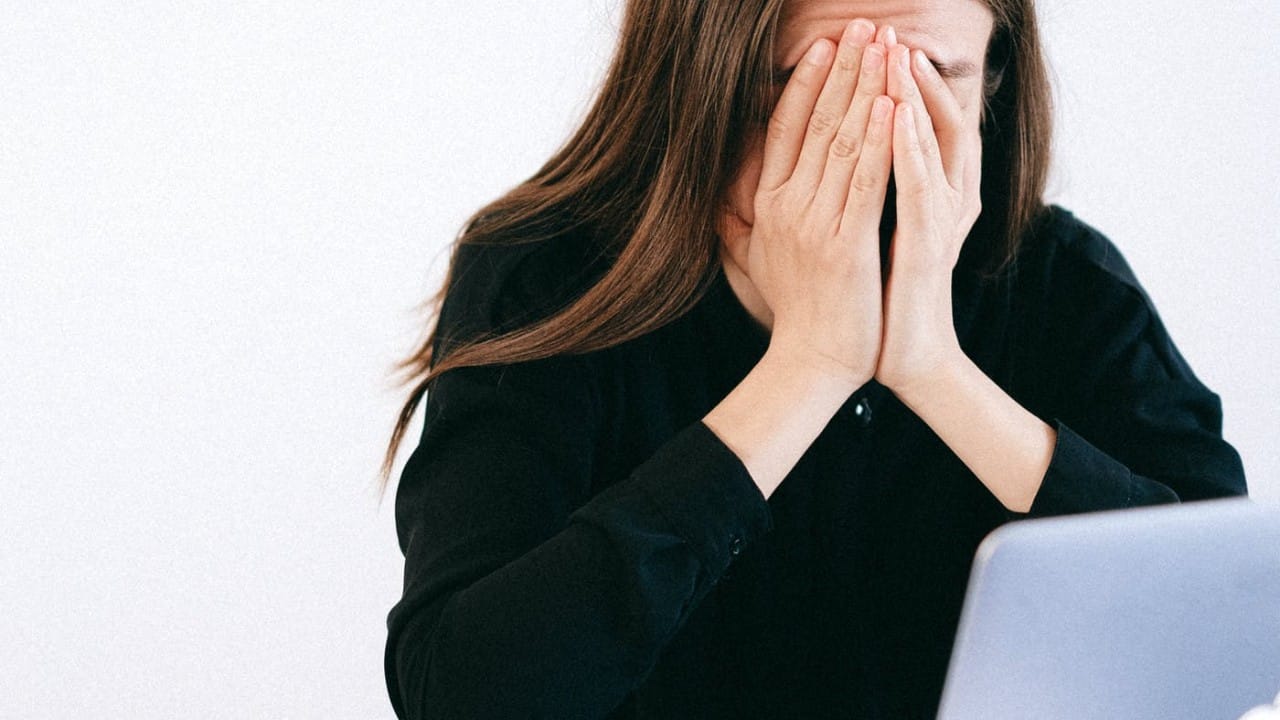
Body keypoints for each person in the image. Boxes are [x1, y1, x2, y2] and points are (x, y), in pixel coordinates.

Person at [377, 1, 1248, 718]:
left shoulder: (1065, 285)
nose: (872, 129)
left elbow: (1229, 642)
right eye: (812, 81)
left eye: (929, 78)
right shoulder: (546, 275)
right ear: (705, 80)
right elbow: (462, 695)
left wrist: (935, 372)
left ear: (992, 83)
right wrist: (806, 369)